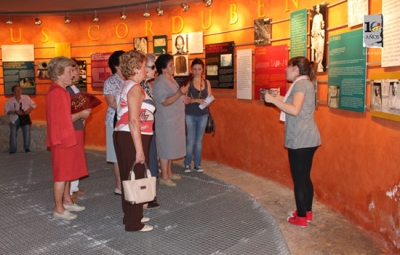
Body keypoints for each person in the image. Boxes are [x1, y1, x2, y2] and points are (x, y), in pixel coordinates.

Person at [264, 56, 321, 228]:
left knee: (300, 180)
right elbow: (296, 104)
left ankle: (301, 218)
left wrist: (273, 100)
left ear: (296, 68)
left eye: (288, 67)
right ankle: (307, 212)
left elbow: (295, 110)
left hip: (301, 139)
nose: (285, 70)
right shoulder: (304, 83)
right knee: (304, 178)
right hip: (307, 138)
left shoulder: (302, 84)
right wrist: (279, 97)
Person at [113, 50, 154, 232]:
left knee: (127, 177)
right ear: (137, 68)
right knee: (136, 176)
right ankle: (134, 222)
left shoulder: (128, 85)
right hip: (132, 136)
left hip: (125, 135)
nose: (146, 70)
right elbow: (133, 120)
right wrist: (139, 150)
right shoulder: (135, 88)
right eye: (144, 66)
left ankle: (130, 215)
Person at [46, 56, 91, 220]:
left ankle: (66, 201)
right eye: (69, 71)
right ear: (59, 74)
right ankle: (58, 208)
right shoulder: (58, 92)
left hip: (64, 137)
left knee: (66, 173)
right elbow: (63, 119)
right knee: (61, 176)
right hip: (62, 139)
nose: (73, 74)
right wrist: (81, 113)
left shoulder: (58, 91)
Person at [153, 54, 188, 187]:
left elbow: (174, 96)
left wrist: (183, 98)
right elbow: (165, 101)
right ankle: (164, 176)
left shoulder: (171, 80)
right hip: (165, 120)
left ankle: (170, 172)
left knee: (171, 147)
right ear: (163, 68)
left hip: (174, 120)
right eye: (171, 65)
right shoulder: (161, 82)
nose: (174, 67)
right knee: (165, 147)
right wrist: (179, 94)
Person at [183, 58, 213, 173]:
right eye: (194, 69)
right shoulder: (188, 83)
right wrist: (196, 100)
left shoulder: (206, 82)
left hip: (203, 114)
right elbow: (184, 99)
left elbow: (210, 96)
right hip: (190, 113)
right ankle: (187, 163)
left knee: (199, 140)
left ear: (203, 70)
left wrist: (208, 101)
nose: (197, 71)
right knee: (190, 139)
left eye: (199, 69)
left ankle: (197, 164)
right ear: (191, 70)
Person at [140, 53, 160, 209]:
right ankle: (143, 198)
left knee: (151, 161)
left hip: (148, 130)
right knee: (144, 163)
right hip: (142, 131)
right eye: (152, 66)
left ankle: (148, 196)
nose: (155, 70)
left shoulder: (146, 85)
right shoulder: (138, 86)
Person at [103, 50, 125, 196]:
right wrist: (130, 108)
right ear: (116, 65)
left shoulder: (129, 80)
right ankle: (119, 186)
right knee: (116, 155)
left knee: (126, 153)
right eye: (124, 60)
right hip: (114, 122)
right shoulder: (110, 81)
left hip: (128, 121)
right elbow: (111, 102)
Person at [68, 60, 86, 202]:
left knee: (77, 156)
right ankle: (68, 191)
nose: (79, 73)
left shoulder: (74, 88)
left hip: (78, 124)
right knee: (71, 158)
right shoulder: (65, 89)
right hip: (72, 125)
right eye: (76, 70)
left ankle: (74, 186)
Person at [4, 85, 36, 154]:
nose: (19, 92)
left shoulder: (26, 98)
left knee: (27, 131)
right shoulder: (9, 101)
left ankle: (27, 148)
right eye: (16, 90)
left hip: (25, 118)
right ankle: (13, 149)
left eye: (20, 89)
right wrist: (14, 112)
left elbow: (34, 105)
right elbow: (7, 112)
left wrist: (29, 110)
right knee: (13, 132)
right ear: (13, 92)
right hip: (14, 119)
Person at [311, 4, 324, 72]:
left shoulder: (321, 16)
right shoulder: (315, 17)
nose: (317, 9)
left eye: (318, 8)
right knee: (316, 50)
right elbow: (313, 25)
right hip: (316, 35)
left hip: (320, 34)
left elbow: (322, 24)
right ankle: (317, 64)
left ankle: (319, 64)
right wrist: (313, 34)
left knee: (320, 50)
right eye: (316, 8)